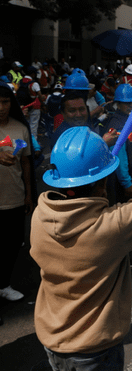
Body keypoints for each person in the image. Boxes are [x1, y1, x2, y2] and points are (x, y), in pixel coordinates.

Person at [30, 106, 132, 371]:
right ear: (102, 182)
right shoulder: (110, 227)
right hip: (93, 351)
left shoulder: (41, 215)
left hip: (52, 339)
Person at [0, 81, 33, 302]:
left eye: (5, 102)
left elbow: (27, 163)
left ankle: (3, 284)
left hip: (14, 197)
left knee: (11, 244)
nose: (1, 107)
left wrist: (29, 194)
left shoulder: (20, 128)